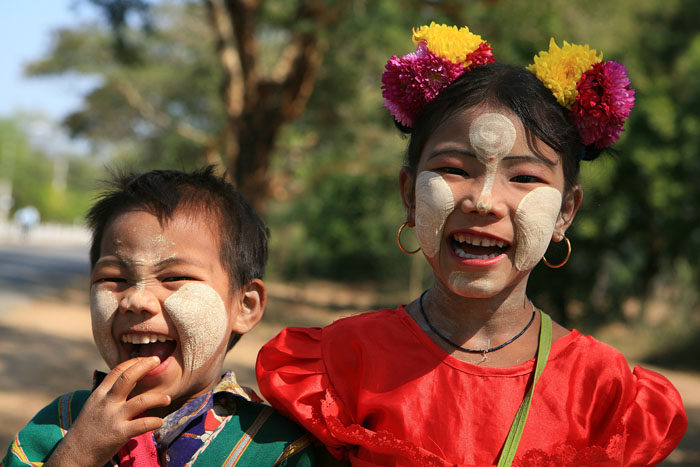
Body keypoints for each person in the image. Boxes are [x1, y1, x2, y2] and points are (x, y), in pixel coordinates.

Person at [256, 23, 688, 466]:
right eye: (455, 169)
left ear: (565, 212)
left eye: (523, 178)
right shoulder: (341, 364)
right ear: (408, 194)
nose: (483, 202)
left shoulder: (603, 390)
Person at [3, 167, 315, 466]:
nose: (136, 300)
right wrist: (76, 456)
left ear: (245, 306)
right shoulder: (58, 424)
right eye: (115, 278)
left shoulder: (279, 448)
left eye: (174, 277)